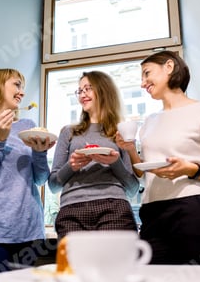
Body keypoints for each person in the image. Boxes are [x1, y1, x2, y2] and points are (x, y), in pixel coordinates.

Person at [117, 50, 200, 265]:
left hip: (192, 208)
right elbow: (143, 173)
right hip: (152, 212)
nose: (142, 83)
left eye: (147, 73)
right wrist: (129, 148)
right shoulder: (150, 121)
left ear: (169, 67)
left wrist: (191, 169)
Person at [0, 68, 55, 276]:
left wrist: (40, 153)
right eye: (16, 85)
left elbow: (40, 179)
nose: (22, 92)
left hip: (29, 231)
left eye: (22, 87)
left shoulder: (27, 126)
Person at [48, 71, 140, 239]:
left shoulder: (120, 132)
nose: (82, 94)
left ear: (104, 90)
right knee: (75, 266)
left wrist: (115, 162)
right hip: (72, 210)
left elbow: (133, 188)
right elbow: (53, 185)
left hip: (114, 208)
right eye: (80, 90)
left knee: (116, 264)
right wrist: (72, 166)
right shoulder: (68, 132)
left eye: (88, 88)